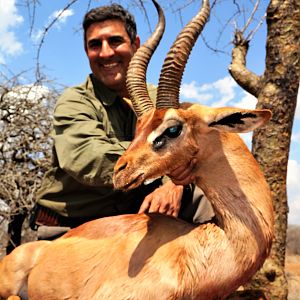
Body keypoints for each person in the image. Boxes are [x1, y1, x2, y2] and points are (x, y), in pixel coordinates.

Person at [30, 3, 214, 240]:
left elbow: (192, 147)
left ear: (136, 45)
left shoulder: (159, 98)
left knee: (203, 195)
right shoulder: (74, 100)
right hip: (74, 224)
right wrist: (166, 166)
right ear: (87, 52)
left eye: (115, 41)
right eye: (95, 44)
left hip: (136, 215)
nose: (106, 53)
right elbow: (87, 157)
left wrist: (173, 184)